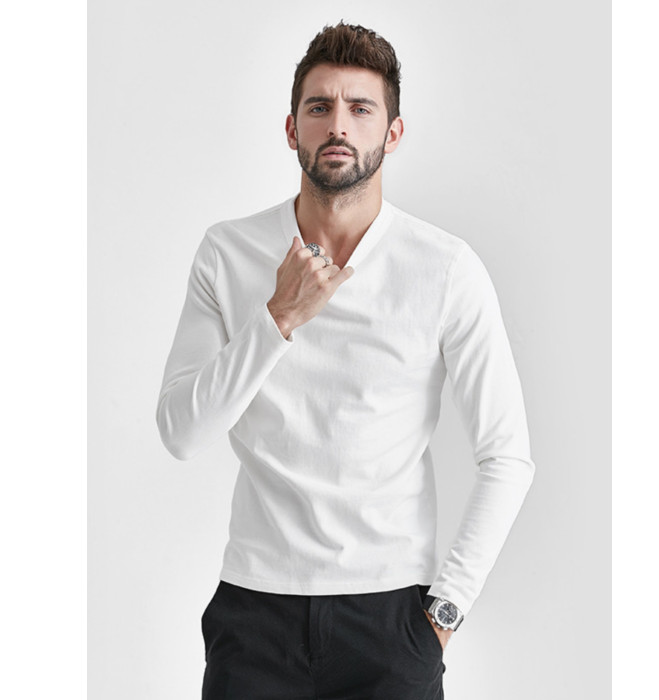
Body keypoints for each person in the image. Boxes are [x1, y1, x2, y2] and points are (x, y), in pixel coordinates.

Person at [156, 21, 535, 700]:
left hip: (391, 621)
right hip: (254, 612)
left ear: (392, 132)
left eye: (361, 108)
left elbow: (507, 456)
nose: (338, 125)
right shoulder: (228, 252)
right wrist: (278, 318)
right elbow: (181, 432)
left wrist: (443, 614)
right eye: (319, 106)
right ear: (291, 128)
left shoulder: (445, 268)